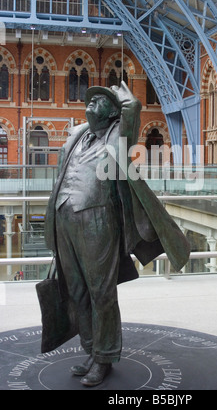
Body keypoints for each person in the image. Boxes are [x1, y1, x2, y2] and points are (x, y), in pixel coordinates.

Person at [44, 82, 190, 387]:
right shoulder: (78, 136)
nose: (92, 103)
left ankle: (105, 357)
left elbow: (132, 109)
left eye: (100, 101)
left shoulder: (117, 136)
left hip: (99, 221)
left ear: (112, 112)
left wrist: (121, 95)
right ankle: (90, 350)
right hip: (65, 220)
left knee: (101, 293)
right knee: (77, 291)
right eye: (91, 99)